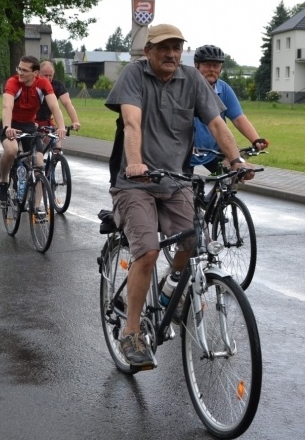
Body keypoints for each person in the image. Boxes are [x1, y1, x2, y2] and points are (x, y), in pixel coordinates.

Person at [105, 24, 254, 368]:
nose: (172, 54)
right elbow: (131, 122)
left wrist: (236, 160)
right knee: (148, 250)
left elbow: (218, 124)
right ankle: (131, 332)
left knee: (195, 242)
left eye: (177, 48)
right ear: (148, 51)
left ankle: (172, 285)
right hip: (136, 182)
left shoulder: (192, 79)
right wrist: (136, 163)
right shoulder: (134, 74)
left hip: (175, 180)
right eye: (164, 48)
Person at [0, 56, 66, 204]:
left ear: (35, 73)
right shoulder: (13, 82)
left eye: (24, 70)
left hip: (29, 125)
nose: (20, 72)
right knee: (11, 150)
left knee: (39, 166)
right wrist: (7, 127)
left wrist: (60, 127)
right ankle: (3, 182)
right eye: (19, 69)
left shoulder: (43, 84)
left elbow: (55, 106)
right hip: (11, 123)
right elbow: (7, 107)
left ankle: (36, 207)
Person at [190, 45, 268, 172]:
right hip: (187, 151)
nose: (211, 69)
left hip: (213, 149)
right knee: (184, 188)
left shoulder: (223, 89)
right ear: (196, 65)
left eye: (216, 66)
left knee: (235, 173)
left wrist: (255, 139)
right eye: (207, 65)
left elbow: (238, 118)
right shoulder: (186, 88)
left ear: (221, 68)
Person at [37, 60, 81, 150]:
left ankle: (56, 158)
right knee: (34, 152)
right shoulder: (33, 84)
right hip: (31, 122)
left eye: (50, 76)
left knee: (57, 144)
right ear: (38, 73)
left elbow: (67, 103)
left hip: (47, 121)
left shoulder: (57, 85)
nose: (48, 79)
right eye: (45, 75)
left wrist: (75, 121)